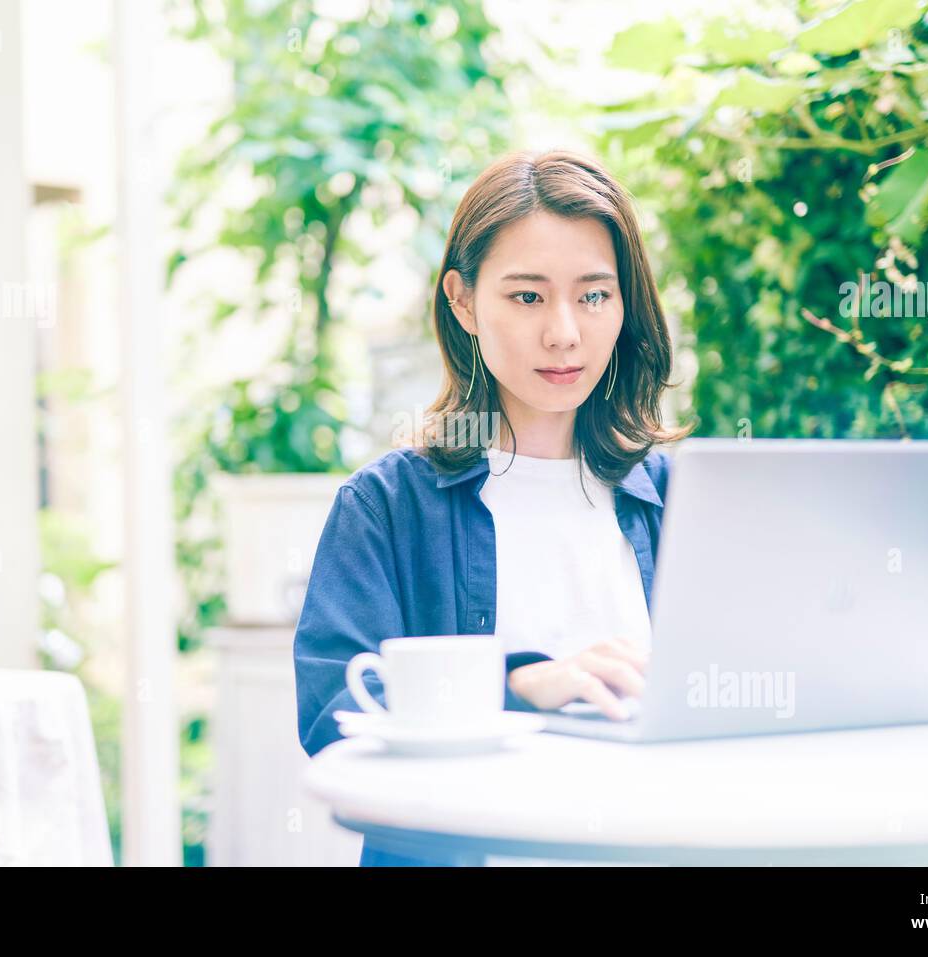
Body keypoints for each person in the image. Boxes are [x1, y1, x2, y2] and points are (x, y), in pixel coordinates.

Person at [292, 148, 693, 866]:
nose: (564, 332)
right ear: (463, 300)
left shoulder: (677, 499)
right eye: (528, 296)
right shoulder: (386, 507)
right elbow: (337, 712)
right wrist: (517, 684)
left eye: (595, 295)